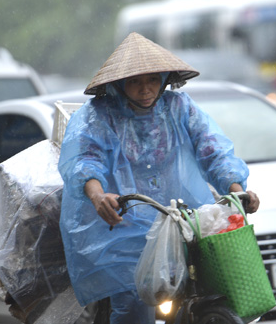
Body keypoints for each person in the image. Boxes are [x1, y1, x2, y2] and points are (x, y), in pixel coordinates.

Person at [57, 32, 260, 324]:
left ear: (164, 79)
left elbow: (212, 149)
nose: (145, 89)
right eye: (135, 82)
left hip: (180, 216)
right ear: (118, 84)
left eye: (152, 80)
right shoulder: (98, 116)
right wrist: (98, 195)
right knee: (135, 306)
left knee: (199, 289)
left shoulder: (180, 107)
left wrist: (237, 189)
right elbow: (85, 159)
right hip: (124, 225)